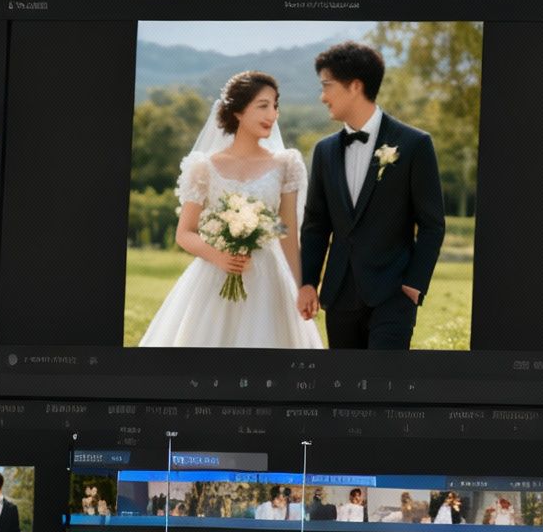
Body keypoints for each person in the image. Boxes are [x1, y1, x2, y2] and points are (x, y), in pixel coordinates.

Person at [139, 71, 323, 349]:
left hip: (269, 278)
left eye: (275, 106)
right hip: (214, 274)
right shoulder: (203, 167)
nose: (272, 115)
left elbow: (286, 231)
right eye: (263, 106)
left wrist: (301, 286)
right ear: (237, 111)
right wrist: (220, 257)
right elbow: (184, 233)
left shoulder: (286, 164)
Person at [298, 42, 447, 351]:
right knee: (345, 380)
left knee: (385, 378)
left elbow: (432, 224)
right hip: (339, 295)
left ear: (355, 86)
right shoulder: (324, 151)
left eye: (327, 85)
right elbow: (315, 224)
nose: (322, 96)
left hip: (393, 295)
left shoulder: (414, 144)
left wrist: (414, 285)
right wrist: (308, 281)